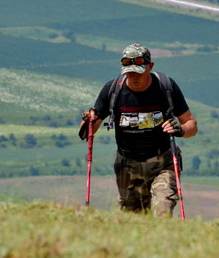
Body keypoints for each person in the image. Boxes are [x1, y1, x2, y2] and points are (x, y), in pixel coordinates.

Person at [80, 43, 197, 217]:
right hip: (128, 165)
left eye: (138, 72)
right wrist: (89, 121)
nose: (134, 77)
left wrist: (179, 129)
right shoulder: (112, 91)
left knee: (162, 212)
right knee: (133, 218)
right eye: (129, 72)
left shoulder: (165, 87)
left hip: (163, 164)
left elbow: (191, 125)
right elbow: (87, 132)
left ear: (150, 67)